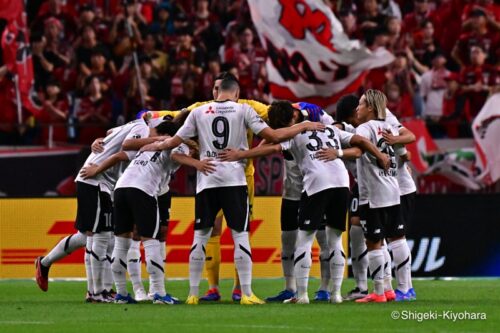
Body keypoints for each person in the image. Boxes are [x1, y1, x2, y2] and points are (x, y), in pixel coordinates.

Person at [141, 77, 326, 305]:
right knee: (240, 235)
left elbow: (173, 141)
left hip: (206, 179)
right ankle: (246, 293)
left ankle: (192, 294)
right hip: (235, 178)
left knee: (200, 235)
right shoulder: (245, 109)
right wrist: (305, 125)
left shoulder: (199, 112)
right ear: (236, 92)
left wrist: (151, 144)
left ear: (217, 91)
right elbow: (275, 136)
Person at [218, 101, 390, 304]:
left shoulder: (291, 134)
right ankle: (335, 294)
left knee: (304, 241)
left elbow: (269, 148)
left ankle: (301, 295)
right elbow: (360, 140)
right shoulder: (328, 127)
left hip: (316, 184)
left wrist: (240, 155)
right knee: (335, 241)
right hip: (342, 183)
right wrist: (380, 155)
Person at [35, 117, 153, 302]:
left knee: (93, 236)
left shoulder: (132, 126)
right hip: (96, 180)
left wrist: (98, 141)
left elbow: (109, 134)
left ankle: (96, 288)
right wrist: (97, 168)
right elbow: (124, 149)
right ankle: (97, 292)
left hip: (104, 183)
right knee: (100, 236)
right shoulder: (144, 129)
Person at [80, 120, 197, 304]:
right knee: (151, 240)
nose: (148, 134)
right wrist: (197, 162)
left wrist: (98, 162)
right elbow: (177, 157)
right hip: (143, 190)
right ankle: (158, 293)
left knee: (121, 242)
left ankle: (121, 294)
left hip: (120, 189)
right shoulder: (176, 144)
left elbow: (119, 151)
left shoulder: (145, 146)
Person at [353, 89, 412, 303]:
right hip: (393, 191)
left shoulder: (365, 128)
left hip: (373, 194)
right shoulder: (390, 128)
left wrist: (338, 151)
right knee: (388, 240)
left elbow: (358, 145)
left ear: (370, 108)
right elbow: (405, 151)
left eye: (360, 104)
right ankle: (388, 289)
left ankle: (379, 292)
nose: (357, 108)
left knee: (374, 242)